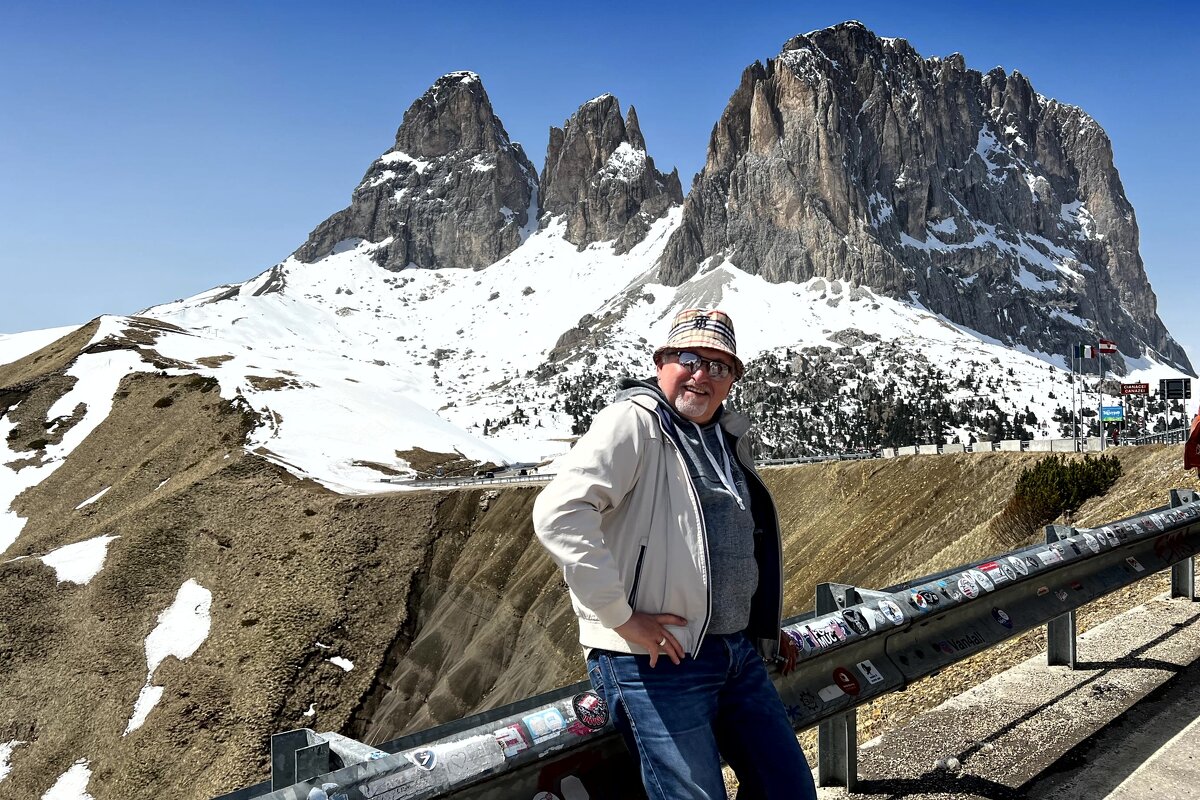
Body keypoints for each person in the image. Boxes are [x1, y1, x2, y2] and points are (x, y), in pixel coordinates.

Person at [533, 308, 817, 800]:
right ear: (661, 361)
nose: (702, 374)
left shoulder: (725, 437)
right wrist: (620, 617)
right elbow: (559, 512)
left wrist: (761, 628)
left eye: (719, 366)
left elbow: (731, 544)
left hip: (734, 652)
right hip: (656, 660)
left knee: (789, 789)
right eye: (689, 358)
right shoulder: (635, 422)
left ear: (733, 379)